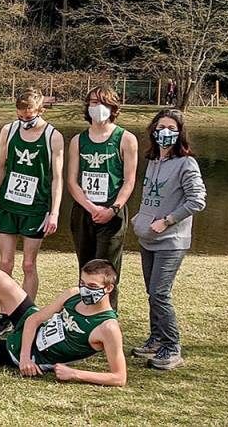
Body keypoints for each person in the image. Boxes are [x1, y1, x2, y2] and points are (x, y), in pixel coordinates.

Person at [0, 260, 127, 387]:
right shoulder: (73, 294)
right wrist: (25, 356)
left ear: (108, 288)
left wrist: (74, 373)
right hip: (28, 340)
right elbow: (34, 319)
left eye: (92, 287)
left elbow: (119, 377)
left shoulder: (107, 328)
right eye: (82, 283)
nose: (85, 290)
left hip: (28, 355)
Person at [129, 109, 206, 370]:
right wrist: (142, 217)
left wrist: (168, 220)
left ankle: (172, 347)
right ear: (153, 130)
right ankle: (156, 338)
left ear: (180, 132)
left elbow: (197, 200)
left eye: (171, 128)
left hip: (171, 241)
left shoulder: (186, 163)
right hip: (147, 239)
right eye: (161, 126)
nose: (165, 132)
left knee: (160, 293)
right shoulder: (153, 160)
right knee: (152, 292)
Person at [0, 88, 64, 337]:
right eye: (20, 115)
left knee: (29, 264)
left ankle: (26, 316)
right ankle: (4, 314)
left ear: (39, 110)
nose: (24, 120)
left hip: (36, 207)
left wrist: (54, 212)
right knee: (5, 263)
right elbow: (1, 167)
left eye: (28, 114)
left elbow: (57, 178)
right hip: (9, 205)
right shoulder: (8, 131)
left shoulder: (53, 136)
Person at [67, 86, 137, 311]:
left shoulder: (126, 139)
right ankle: (84, 314)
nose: (98, 107)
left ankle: (107, 316)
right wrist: (89, 207)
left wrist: (113, 209)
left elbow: (129, 181)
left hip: (112, 212)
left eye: (103, 103)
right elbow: (71, 181)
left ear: (113, 107)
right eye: (93, 102)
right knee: (86, 266)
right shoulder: (78, 140)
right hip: (84, 211)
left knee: (106, 269)